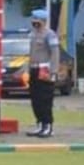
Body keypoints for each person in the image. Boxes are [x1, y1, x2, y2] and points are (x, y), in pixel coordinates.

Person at [26, 8, 60, 138]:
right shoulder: (32, 34)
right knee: (35, 99)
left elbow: (55, 54)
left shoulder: (49, 34)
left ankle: (48, 125)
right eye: (33, 20)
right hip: (33, 69)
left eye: (37, 20)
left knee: (45, 99)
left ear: (44, 21)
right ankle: (39, 124)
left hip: (44, 69)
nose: (35, 22)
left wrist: (53, 71)